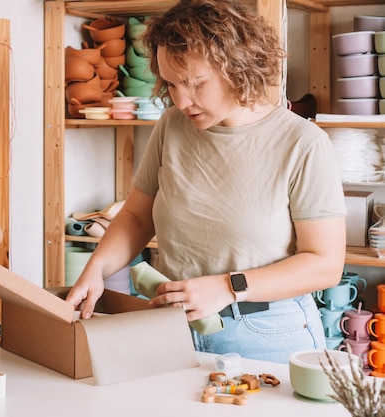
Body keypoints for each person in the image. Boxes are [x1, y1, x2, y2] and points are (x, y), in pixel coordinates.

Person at [65, 0, 347, 363]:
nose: (182, 100)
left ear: (238, 67)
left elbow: (324, 263)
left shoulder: (302, 143)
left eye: (195, 84)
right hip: (172, 327)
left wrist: (228, 287)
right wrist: (96, 270)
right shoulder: (171, 126)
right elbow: (136, 217)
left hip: (266, 334)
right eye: (171, 84)